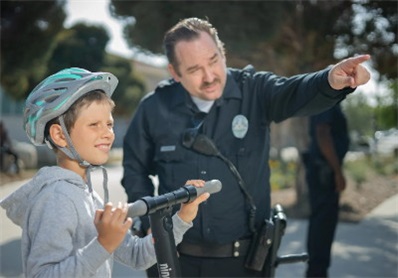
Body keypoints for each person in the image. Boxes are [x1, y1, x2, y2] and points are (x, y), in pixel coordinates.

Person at [121, 17, 371, 277]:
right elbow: (134, 168)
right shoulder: (153, 108)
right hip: (175, 262)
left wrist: (329, 80)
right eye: (194, 69)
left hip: (245, 264)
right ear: (174, 72)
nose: (209, 76)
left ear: (222, 52)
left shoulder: (255, 91)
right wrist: (150, 222)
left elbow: (295, 92)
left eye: (213, 60)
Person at [0, 67, 209, 277]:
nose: (108, 134)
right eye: (94, 125)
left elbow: (137, 255)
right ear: (60, 135)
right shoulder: (56, 198)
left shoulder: (89, 196)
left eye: (109, 124)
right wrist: (103, 244)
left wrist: (182, 218)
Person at [303, 102, 349, 277]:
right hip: (324, 173)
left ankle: (317, 271)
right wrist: (337, 171)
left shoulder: (327, 100)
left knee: (322, 226)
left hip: (323, 171)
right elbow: (322, 134)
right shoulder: (327, 99)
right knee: (322, 226)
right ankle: (317, 272)